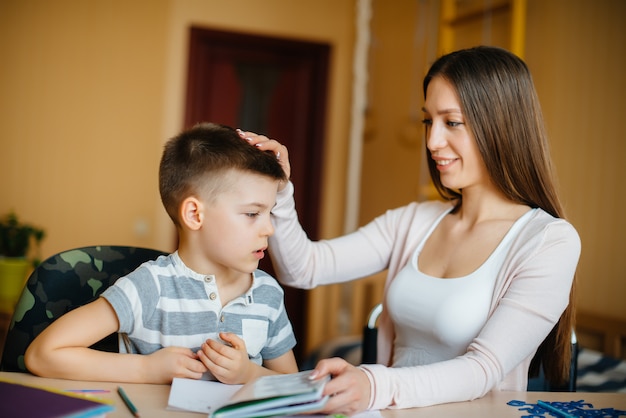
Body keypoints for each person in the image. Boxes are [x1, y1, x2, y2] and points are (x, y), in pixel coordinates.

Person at [242, 46, 581, 414]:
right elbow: (303, 267)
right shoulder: (414, 221)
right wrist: (281, 190)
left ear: (502, 125)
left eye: (451, 122)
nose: (433, 141)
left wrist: (372, 383)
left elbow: (483, 369)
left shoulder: (549, 242)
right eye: (428, 121)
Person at [25, 122, 298, 384]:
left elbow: (294, 384)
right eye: (252, 213)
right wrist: (147, 369)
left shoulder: (268, 294)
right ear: (194, 214)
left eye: (270, 212)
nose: (269, 229)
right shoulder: (149, 287)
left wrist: (249, 374)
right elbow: (43, 355)